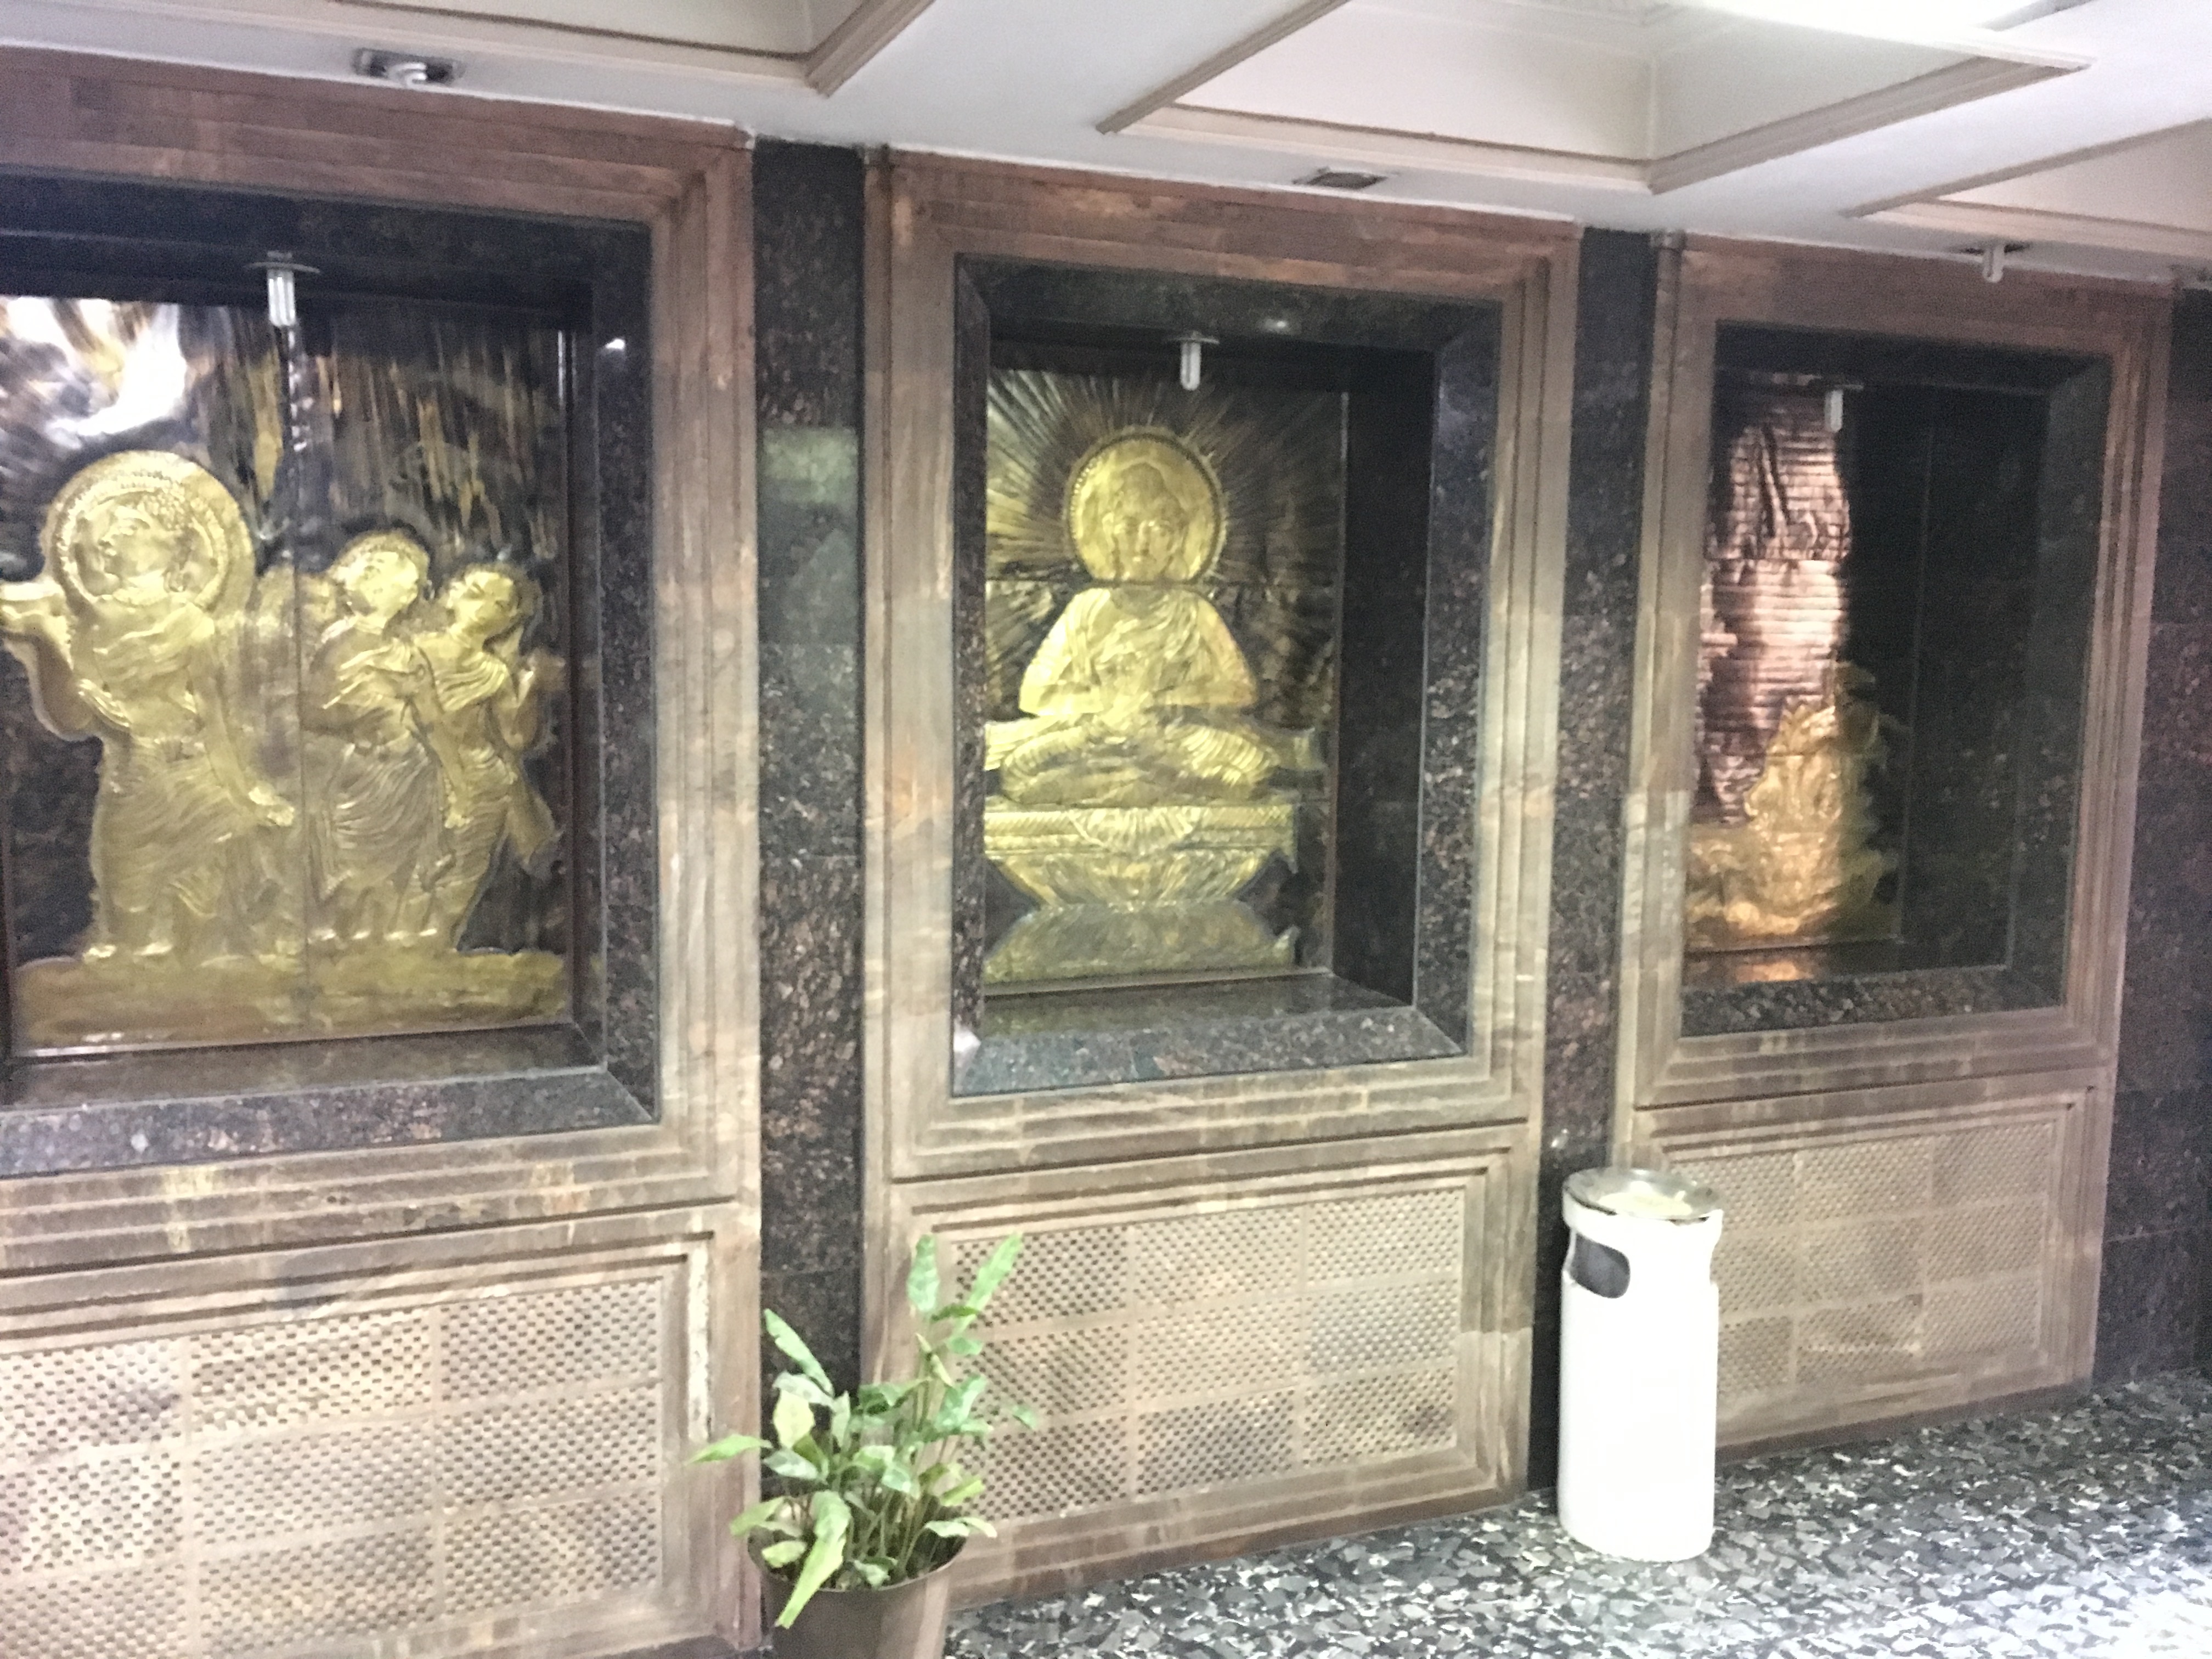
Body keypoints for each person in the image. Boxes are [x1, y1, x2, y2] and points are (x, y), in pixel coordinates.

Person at [0, 450, 293, 967]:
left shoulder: (196, 627)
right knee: (128, 916)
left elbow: (217, 719)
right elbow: (72, 721)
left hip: (195, 782)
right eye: (110, 528)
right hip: (133, 782)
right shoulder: (92, 621)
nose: (109, 538)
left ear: (170, 544)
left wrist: (247, 790)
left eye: (131, 526)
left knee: (206, 913)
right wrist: (50, 646)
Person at [299, 529, 441, 947]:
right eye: (369, 570)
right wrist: (358, 708)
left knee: (397, 857)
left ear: (406, 596)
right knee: (349, 854)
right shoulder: (336, 642)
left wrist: (455, 775)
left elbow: (431, 717)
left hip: (409, 767)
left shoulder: (406, 652)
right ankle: (336, 929)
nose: (371, 580)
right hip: (362, 766)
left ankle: (379, 936)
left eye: (387, 576)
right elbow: (311, 711)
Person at [413, 563, 562, 946]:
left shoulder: (493, 671)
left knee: (462, 872)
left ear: (509, 619)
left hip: (481, 779)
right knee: (414, 872)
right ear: (453, 596)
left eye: (498, 604)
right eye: (476, 594)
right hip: (417, 774)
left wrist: (529, 687)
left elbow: (515, 737)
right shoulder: (418, 650)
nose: (483, 608)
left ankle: (437, 946)